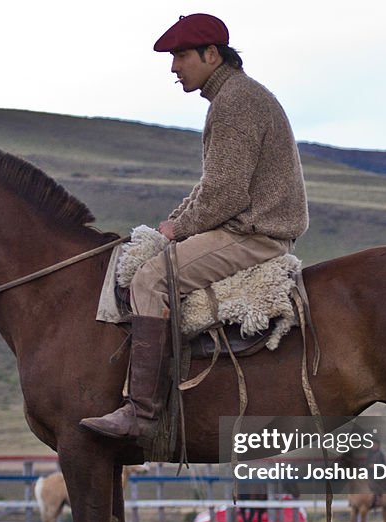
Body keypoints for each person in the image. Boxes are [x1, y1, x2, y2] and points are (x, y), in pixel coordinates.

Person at [81, 13, 309, 440]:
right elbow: (212, 186)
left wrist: (177, 229)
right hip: (247, 227)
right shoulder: (236, 97)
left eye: (181, 56)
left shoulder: (236, 102)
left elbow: (225, 195)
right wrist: (174, 222)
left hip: (252, 236)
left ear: (211, 54)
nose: (173, 68)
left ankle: (143, 413)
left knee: (150, 280)